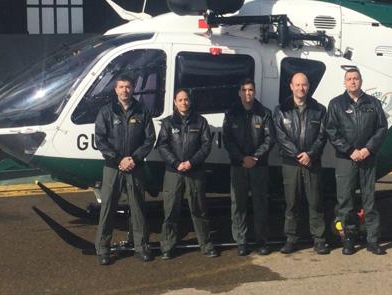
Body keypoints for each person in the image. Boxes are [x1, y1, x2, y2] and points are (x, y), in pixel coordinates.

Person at [94, 74, 156, 265]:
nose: (125, 90)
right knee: (107, 209)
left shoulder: (142, 111)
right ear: (116, 90)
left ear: (132, 89)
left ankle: (141, 246)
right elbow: (100, 140)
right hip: (113, 168)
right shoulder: (106, 112)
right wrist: (119, 159)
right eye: (121, 87)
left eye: (128, 87)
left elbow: (149, 139)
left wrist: (134, 158)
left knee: (138, 208)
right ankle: (103, 249)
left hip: (134, 167)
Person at [326, 68, 388, 255]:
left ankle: (372, 240)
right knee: (346, 201)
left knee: (369, 201)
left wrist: (367, 149)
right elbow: (331, 131)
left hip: (367, 158)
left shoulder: (373, 103)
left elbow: (382, 128)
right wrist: (350, 150)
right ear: (344, 82)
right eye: (349, 79)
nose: (352, 82)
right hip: (346, 159)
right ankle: (348, 239)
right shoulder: (336, 104)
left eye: (356, 78)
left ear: (361, 81)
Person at [273, 72, 330, 255]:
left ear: (308, 86)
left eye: (304, 85)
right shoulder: (281, 109)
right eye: (297, 85)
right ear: (291, 86)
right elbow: (280, 137)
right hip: (291, 164)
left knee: (315, 202)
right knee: (292, 203)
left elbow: (322, 136)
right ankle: (291, 239)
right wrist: (298, 154)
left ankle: (319, 240)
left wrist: (310, 155)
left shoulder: (319, 109)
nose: (301, 88)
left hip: (312, 163)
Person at [157, 89, 218, 259]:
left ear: (190, 101)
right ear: (175, 102)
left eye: (186, 99)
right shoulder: (168, 123)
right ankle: (167, 246)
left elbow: (206, 146)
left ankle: (206, 245)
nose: (184, 102)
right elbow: (162, 146)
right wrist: (176, 163)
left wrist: (191, 162)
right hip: (173, 172)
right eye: (180, 100)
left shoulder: (200, 122)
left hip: (195, 171)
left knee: (199, 210)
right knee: (170, 211)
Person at [223, 79, 274, 256]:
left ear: (255, 92)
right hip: (238, 166)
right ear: (239, 93)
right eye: (244, 90)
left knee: (260, 204)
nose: (248, 93)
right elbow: (227, 140)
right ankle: (241, 241)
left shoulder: (265, 113)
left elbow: (269, 139)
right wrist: (242, 158)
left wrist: (255, 157)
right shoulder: (231, 114)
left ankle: (262, 241)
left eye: (250, 90)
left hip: (259, 166)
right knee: (238, 204)